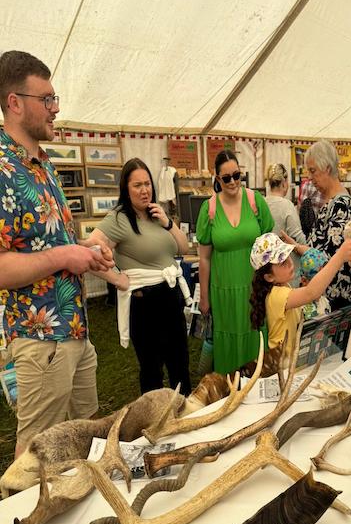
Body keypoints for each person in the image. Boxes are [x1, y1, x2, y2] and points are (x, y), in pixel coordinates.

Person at [0, 50, 117, 456]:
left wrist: (86, 249)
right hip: (40, 339)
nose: (55, 109)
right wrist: (66, 257)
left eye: (55, 98)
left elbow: (49, 244)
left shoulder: (43, 163)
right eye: (46, 99)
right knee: (37, 454)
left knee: (85, 442)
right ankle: (27, 520)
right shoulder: (2, 169)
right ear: (14, 103)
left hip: (76, 333)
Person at [87, 158, 192, 395]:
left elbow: (183, 248)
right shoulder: (119, 218)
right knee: (152, 370)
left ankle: (185, 417)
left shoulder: (156, 214)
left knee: (180, 365)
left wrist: (167, 223)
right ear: (126, 188)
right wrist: (116, 279)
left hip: (170, 296)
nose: (144, 190)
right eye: (137, 185)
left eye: (147, 184)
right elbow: (90, 254)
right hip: (145, 303)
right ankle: (153, 422)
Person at [196, 149, 274, 374]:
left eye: (237, 175)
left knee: (255, 333)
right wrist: (204, 298)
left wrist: (273, 281)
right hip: (224, 290)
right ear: (218, 179)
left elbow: (269, 244)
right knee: (227, 338)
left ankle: (257, 383)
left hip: (254, 287)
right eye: (227, 178)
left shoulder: (255, 201)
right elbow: (204, 258)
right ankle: (229, 388)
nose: (233, 182)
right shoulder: (209, 209)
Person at [249, 232, 351, 358]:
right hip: (283, 362)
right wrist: (339, 257)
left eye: (288, 256)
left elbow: (314, 258)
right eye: (282, 262)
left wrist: (296, 246)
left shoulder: (283, 286)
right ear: (269, 277)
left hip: (292, 359)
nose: (290, 263)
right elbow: (310, 293)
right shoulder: (276, 295)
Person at [285, 139, 351, 311]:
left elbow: (327, 261)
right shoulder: (332, 203)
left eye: (313, 171)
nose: (310, 178)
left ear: (327, 167)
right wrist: (297, 246)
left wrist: (298, 248)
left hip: (335, 303)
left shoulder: (342, 206)